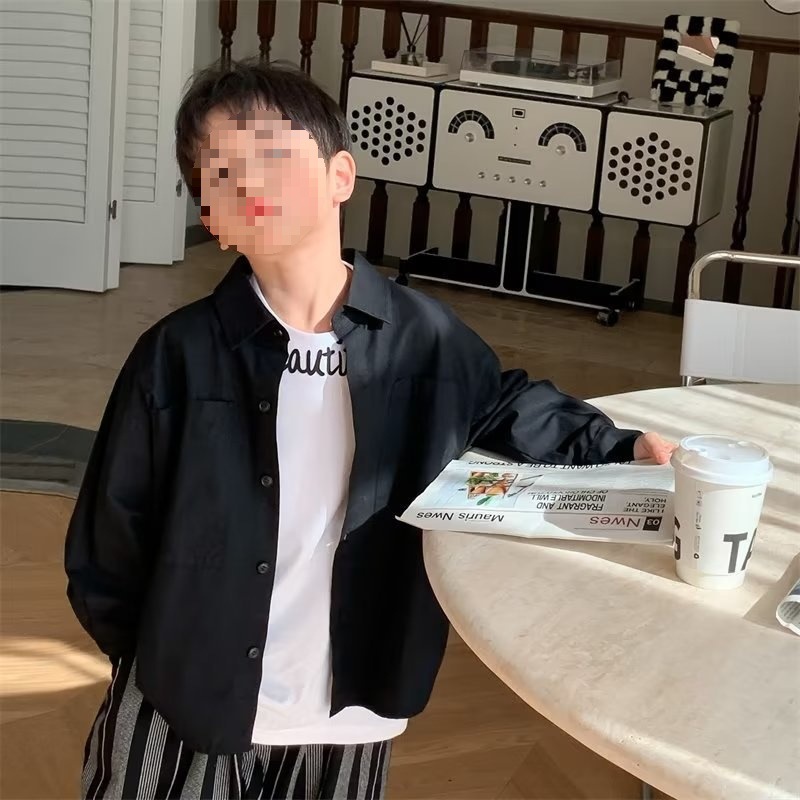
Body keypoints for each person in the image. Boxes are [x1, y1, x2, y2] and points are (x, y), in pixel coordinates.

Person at [65, 58, 676, 800]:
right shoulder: (176, 355)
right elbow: (108, 543)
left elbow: (501, 404)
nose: (248, 182)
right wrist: (157, 659)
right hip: (185, 700)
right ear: (211, 221)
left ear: (341, 177)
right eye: (220, 173)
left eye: (271, 156)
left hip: (352, 708)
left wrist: (621, 446)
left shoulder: (426, 340)